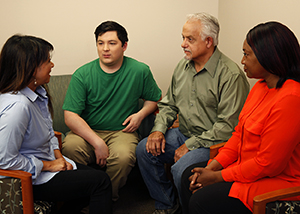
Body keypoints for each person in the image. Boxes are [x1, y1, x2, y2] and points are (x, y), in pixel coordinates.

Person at [180, 21, 300, 214]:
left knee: (202, 200)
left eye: (247, 54)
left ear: (268, 57)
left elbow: (267, 165)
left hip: (277, 180)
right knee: (189, 175)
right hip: (248, 167)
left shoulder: (292, 99)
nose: (242, 61)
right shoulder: (260, 87)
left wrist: (217, 177)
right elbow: (238, 136)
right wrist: (212, 168)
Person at [136, 12, 249, 214]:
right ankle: (167, 205)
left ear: (208, 41)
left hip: (213, 143)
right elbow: (169, 105)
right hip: (183, 133)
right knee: (144, 149)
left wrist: (190, 145)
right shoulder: (182, 66)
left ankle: (190, 210)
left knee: (181, 170)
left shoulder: (230, 75)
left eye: (190, 39)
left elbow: (227, 127)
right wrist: (158, 131)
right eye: (183, 38)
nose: (183, 44)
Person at [0, 35, 112, 214]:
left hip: (46, 164)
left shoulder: (37, 94)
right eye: (48, 61)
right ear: (31, 68)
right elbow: (5, 160)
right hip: (27, 179)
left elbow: (48, 133)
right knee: (101, 182)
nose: (52, 65)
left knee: (95, 177)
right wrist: (49, 165)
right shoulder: (17, 107)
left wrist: (58, 157)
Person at [61, 21, 162, 201]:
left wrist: (140, 115)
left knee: (123, 157)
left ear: (124, 46)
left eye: (112, 43)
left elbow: (154, 99)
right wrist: (97, 142)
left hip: (122, 132)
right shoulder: (82, 74)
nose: (105, 49)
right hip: (87, 132)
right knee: (69, 148)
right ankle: (82, 200)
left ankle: (104, 201)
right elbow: (70, 116)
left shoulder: (140, 70)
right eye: (101, 43)